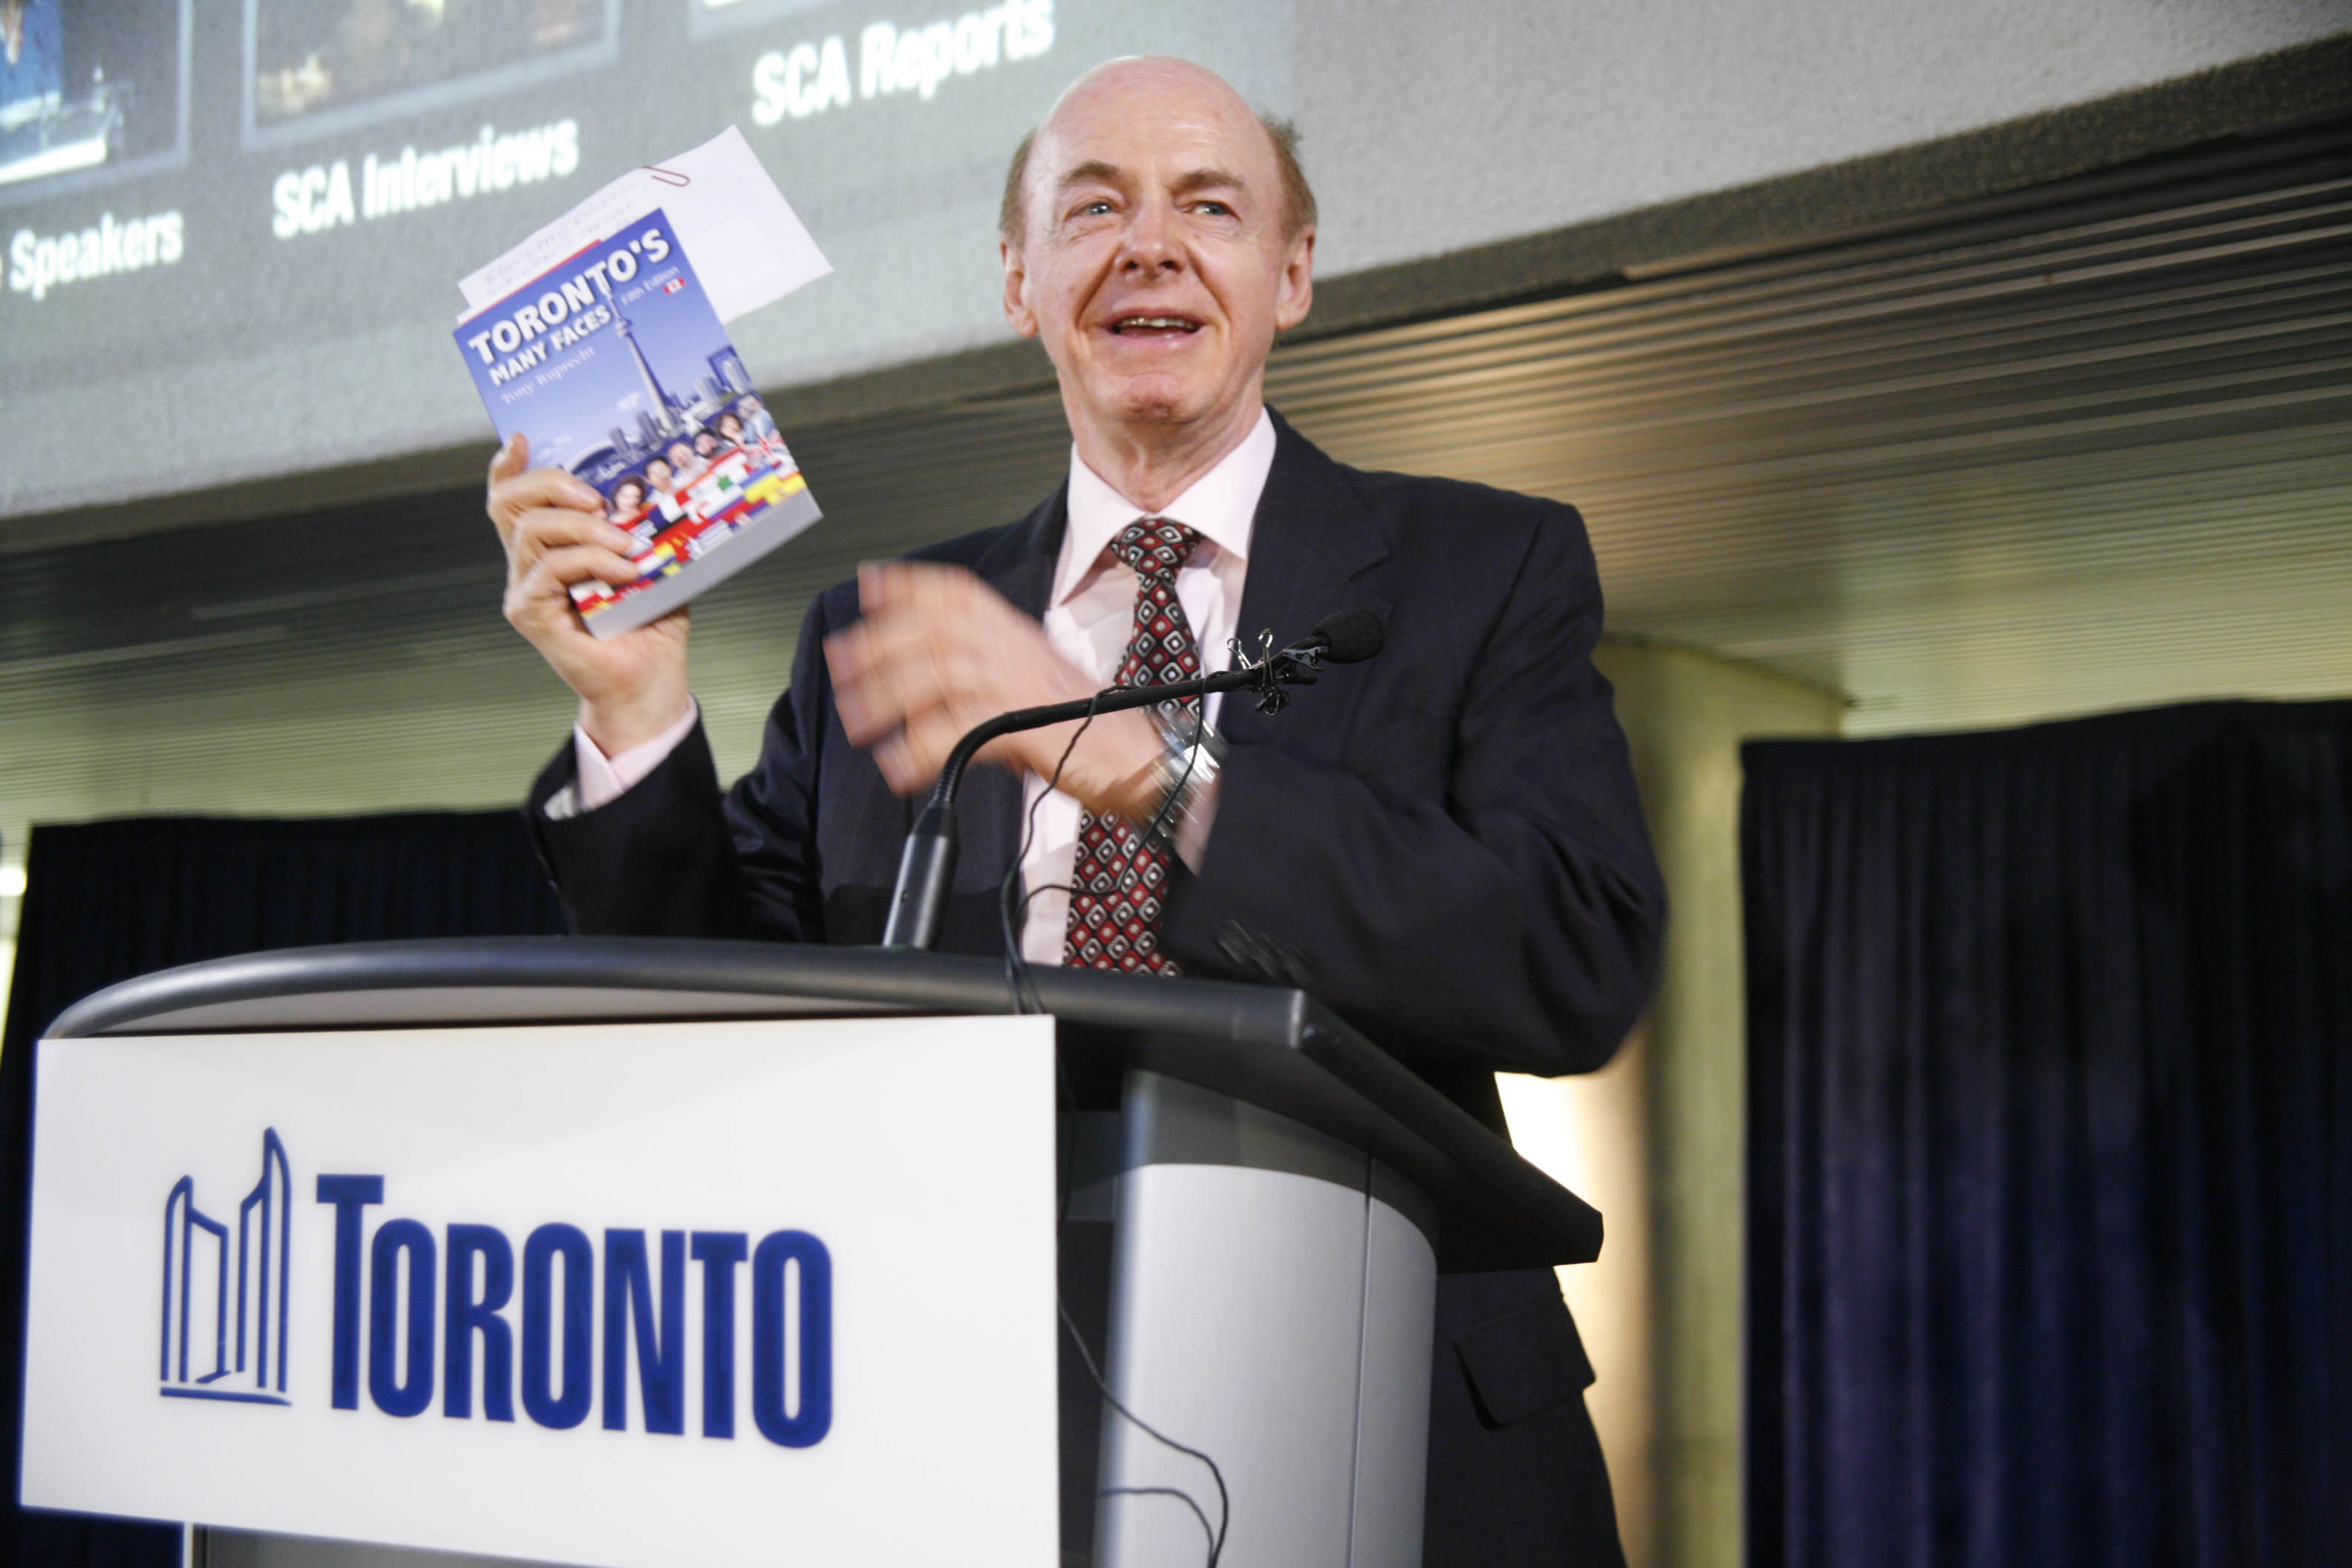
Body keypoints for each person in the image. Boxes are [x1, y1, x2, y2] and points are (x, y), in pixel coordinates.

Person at [488, 56, 1662, 1567]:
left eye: (1210, 207)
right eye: (1094, 209)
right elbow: (724, 1027)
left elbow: (1572, 954)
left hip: (1394, 1425)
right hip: (952, 1437)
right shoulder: (883, 623)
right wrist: (636, 709)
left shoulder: (1481, 572)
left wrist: (1165, 771)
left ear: (1292, 273)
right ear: (1019, 281)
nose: (1149, 245)